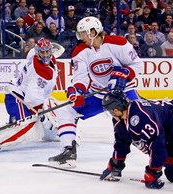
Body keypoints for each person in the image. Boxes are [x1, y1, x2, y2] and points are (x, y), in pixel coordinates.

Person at [48, 16, 143, 167]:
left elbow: (137, 64)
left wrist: (122, 75)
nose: (80, 37)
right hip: (98, 94)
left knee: (142, 119)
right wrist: (77, 92)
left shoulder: (118, 43)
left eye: (83, 33)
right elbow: (81, 78)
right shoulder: (79, 52)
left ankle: (162, 151)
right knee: (67, 110)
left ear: (93, 32)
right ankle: (68, 152)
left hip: (124, 91)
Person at [0, 38, 60, 153]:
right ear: (38, 53)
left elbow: (32, 52)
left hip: (20, 95)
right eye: (42, 52)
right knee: (28, 127)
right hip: (17, 98)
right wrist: (43, 114)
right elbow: (31, 99)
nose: (45, 55)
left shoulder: (34, 54)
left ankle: (7, 127)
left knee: (25, 123)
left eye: (47, 51)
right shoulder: (38, 75)